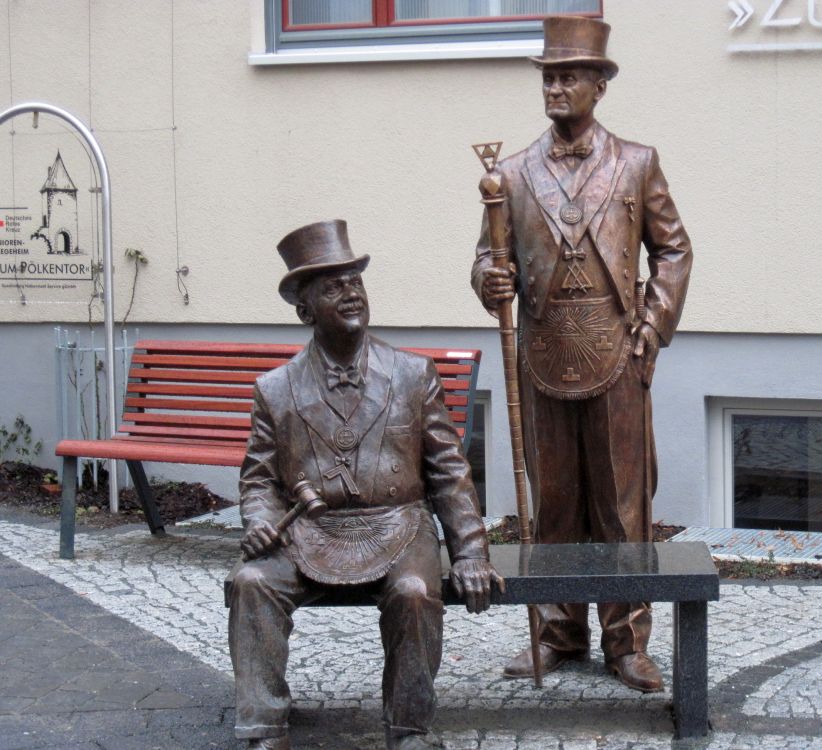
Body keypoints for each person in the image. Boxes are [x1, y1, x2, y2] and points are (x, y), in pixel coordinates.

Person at [471, 16, 692, 693]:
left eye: (569, 75)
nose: (556, 86)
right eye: (549, 76)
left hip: (616, 354)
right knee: (554, 501)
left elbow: (674, 249)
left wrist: (651, 327)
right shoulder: (508, 174)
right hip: (543, 355)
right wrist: (491, 281)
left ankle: (626, 642)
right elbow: (486, 260)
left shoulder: (637, 163)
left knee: (623, 505)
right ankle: (558, 630)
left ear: (599, 86)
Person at [230, 220, 503, 750]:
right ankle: (264, 727)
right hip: (311, 529)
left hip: (398, 527)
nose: (351, 293)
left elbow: (449, 471)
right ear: (305, 309)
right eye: (333, 286)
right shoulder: (276, 389)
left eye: (355, 281)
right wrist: (262, 521)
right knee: (252, 582)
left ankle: (408, 730)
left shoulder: (412, 374)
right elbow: (259, 479)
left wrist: (469, 553)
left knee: (416, 591)